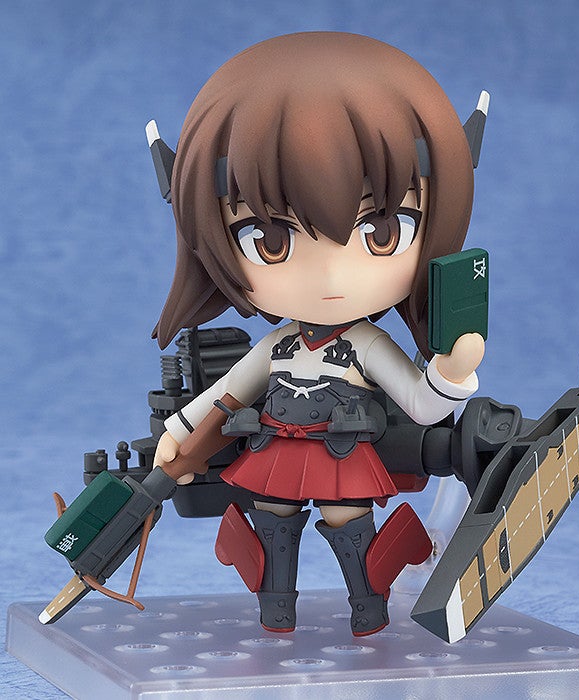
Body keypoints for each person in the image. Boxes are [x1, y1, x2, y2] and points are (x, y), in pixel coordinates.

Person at [152, 32, 484, 636]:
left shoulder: (366, 345)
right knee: (272, 527)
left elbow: (421, 405)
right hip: (275, 452)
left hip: (341, 454)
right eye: (270, 239)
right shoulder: (276, 347)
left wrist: (450, 376)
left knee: (348, 526)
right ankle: (275, 609)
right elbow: (225, 393)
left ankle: (369, 609)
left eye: (381, 233)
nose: (331, 277)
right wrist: (178, 431)